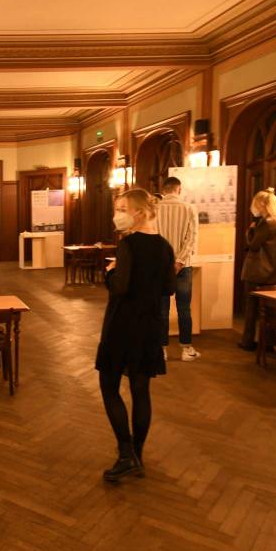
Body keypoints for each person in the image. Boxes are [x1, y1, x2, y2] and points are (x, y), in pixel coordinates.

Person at [96, 189, 176, 483]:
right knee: (141, 391)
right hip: (150, 327)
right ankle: (137, 456)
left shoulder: (128, 245)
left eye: (122, 209)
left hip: (122, 325)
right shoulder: (165, 246)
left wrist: (110, 271)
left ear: (139, 212)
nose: (117, 215)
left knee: (109, 387)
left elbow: (120, 287)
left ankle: (126, 454)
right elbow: (169, 288)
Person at [157, 176, 200, 362]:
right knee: (184, 308)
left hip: (160, 266)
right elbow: (192, 239)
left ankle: (162, 350)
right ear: (179, 189)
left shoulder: (155, 209)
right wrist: (179, 261)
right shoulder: (189, 208)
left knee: (161, 310)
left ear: (163, 190)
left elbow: (153, 238)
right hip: (184, 266)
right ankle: (186, 349)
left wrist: (167, 262)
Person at [238, 188, 276, 351]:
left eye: (255, 204)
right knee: (268, 310)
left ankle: (247, 341)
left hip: (257, 272)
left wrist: (250, 230)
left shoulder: (266, 223)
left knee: (252, 308)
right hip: (271, 272)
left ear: (261, 204)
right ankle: (268, 343)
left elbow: (253, 245)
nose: (253, 208)